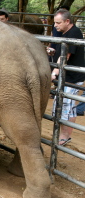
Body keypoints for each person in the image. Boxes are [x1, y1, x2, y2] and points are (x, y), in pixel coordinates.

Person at [49, 9, 85, 145]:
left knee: (66, 106)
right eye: (55, 23)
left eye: (58, 23)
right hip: (65, 75)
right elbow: (56, 49)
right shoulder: (62, 31)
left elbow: (65, 56)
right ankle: (63, 134)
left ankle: (65, 136)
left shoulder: (74, 33)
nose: (56, 26)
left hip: (72, 77)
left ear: (67, 21)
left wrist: (54, 73)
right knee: (64, 105)